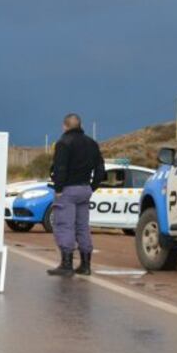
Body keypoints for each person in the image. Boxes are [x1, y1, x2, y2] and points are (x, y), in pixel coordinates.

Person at [47, 113, 105, 277]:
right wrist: (92, 186)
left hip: (68, 189)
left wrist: (58, 189)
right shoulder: (92, 143)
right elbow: (100, 169)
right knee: (82, 226)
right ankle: (85, 265)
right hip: (84, 189)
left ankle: (66, 264)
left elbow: (60, 168)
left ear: (64, 126)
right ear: (80, 125)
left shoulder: (64, 143)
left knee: (64, 225)